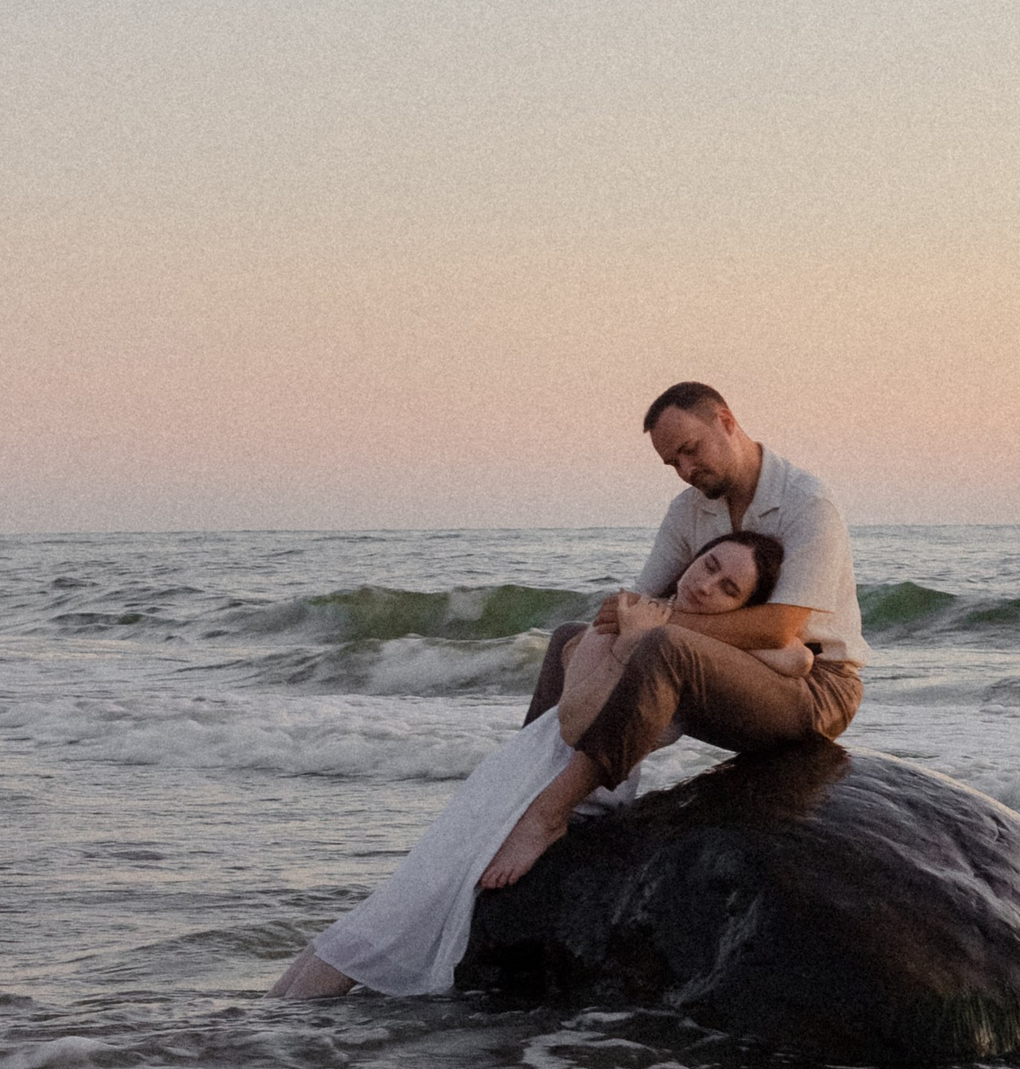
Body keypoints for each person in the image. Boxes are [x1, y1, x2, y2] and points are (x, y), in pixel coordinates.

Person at [268, 530, 790, 1000]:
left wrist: (708, 631)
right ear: (691, 560)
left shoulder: (694, 647)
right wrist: (629, 647)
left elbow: (796, 657)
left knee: (404, 910)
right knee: (400, 910)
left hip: (584, 788)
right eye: (710, 565)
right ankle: (273, 1023)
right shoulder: (624, 617)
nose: (707, 585)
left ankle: (268, 1022)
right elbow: (574, 721)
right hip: (531, 776)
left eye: (730, 589)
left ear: (744, 607)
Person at [480, 382, 867, 888]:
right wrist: (625, 622)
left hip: (816, 692)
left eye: (691, 450)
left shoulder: (806, 503)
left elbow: (781, 626)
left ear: (726, 421)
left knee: (665, 645)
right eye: (673, 463)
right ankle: (522, 788)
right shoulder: (688, 512)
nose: (686, 470)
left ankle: (549, 814)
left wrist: (654, 619)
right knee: (568, 636)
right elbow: (628, 604)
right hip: (743, 672)